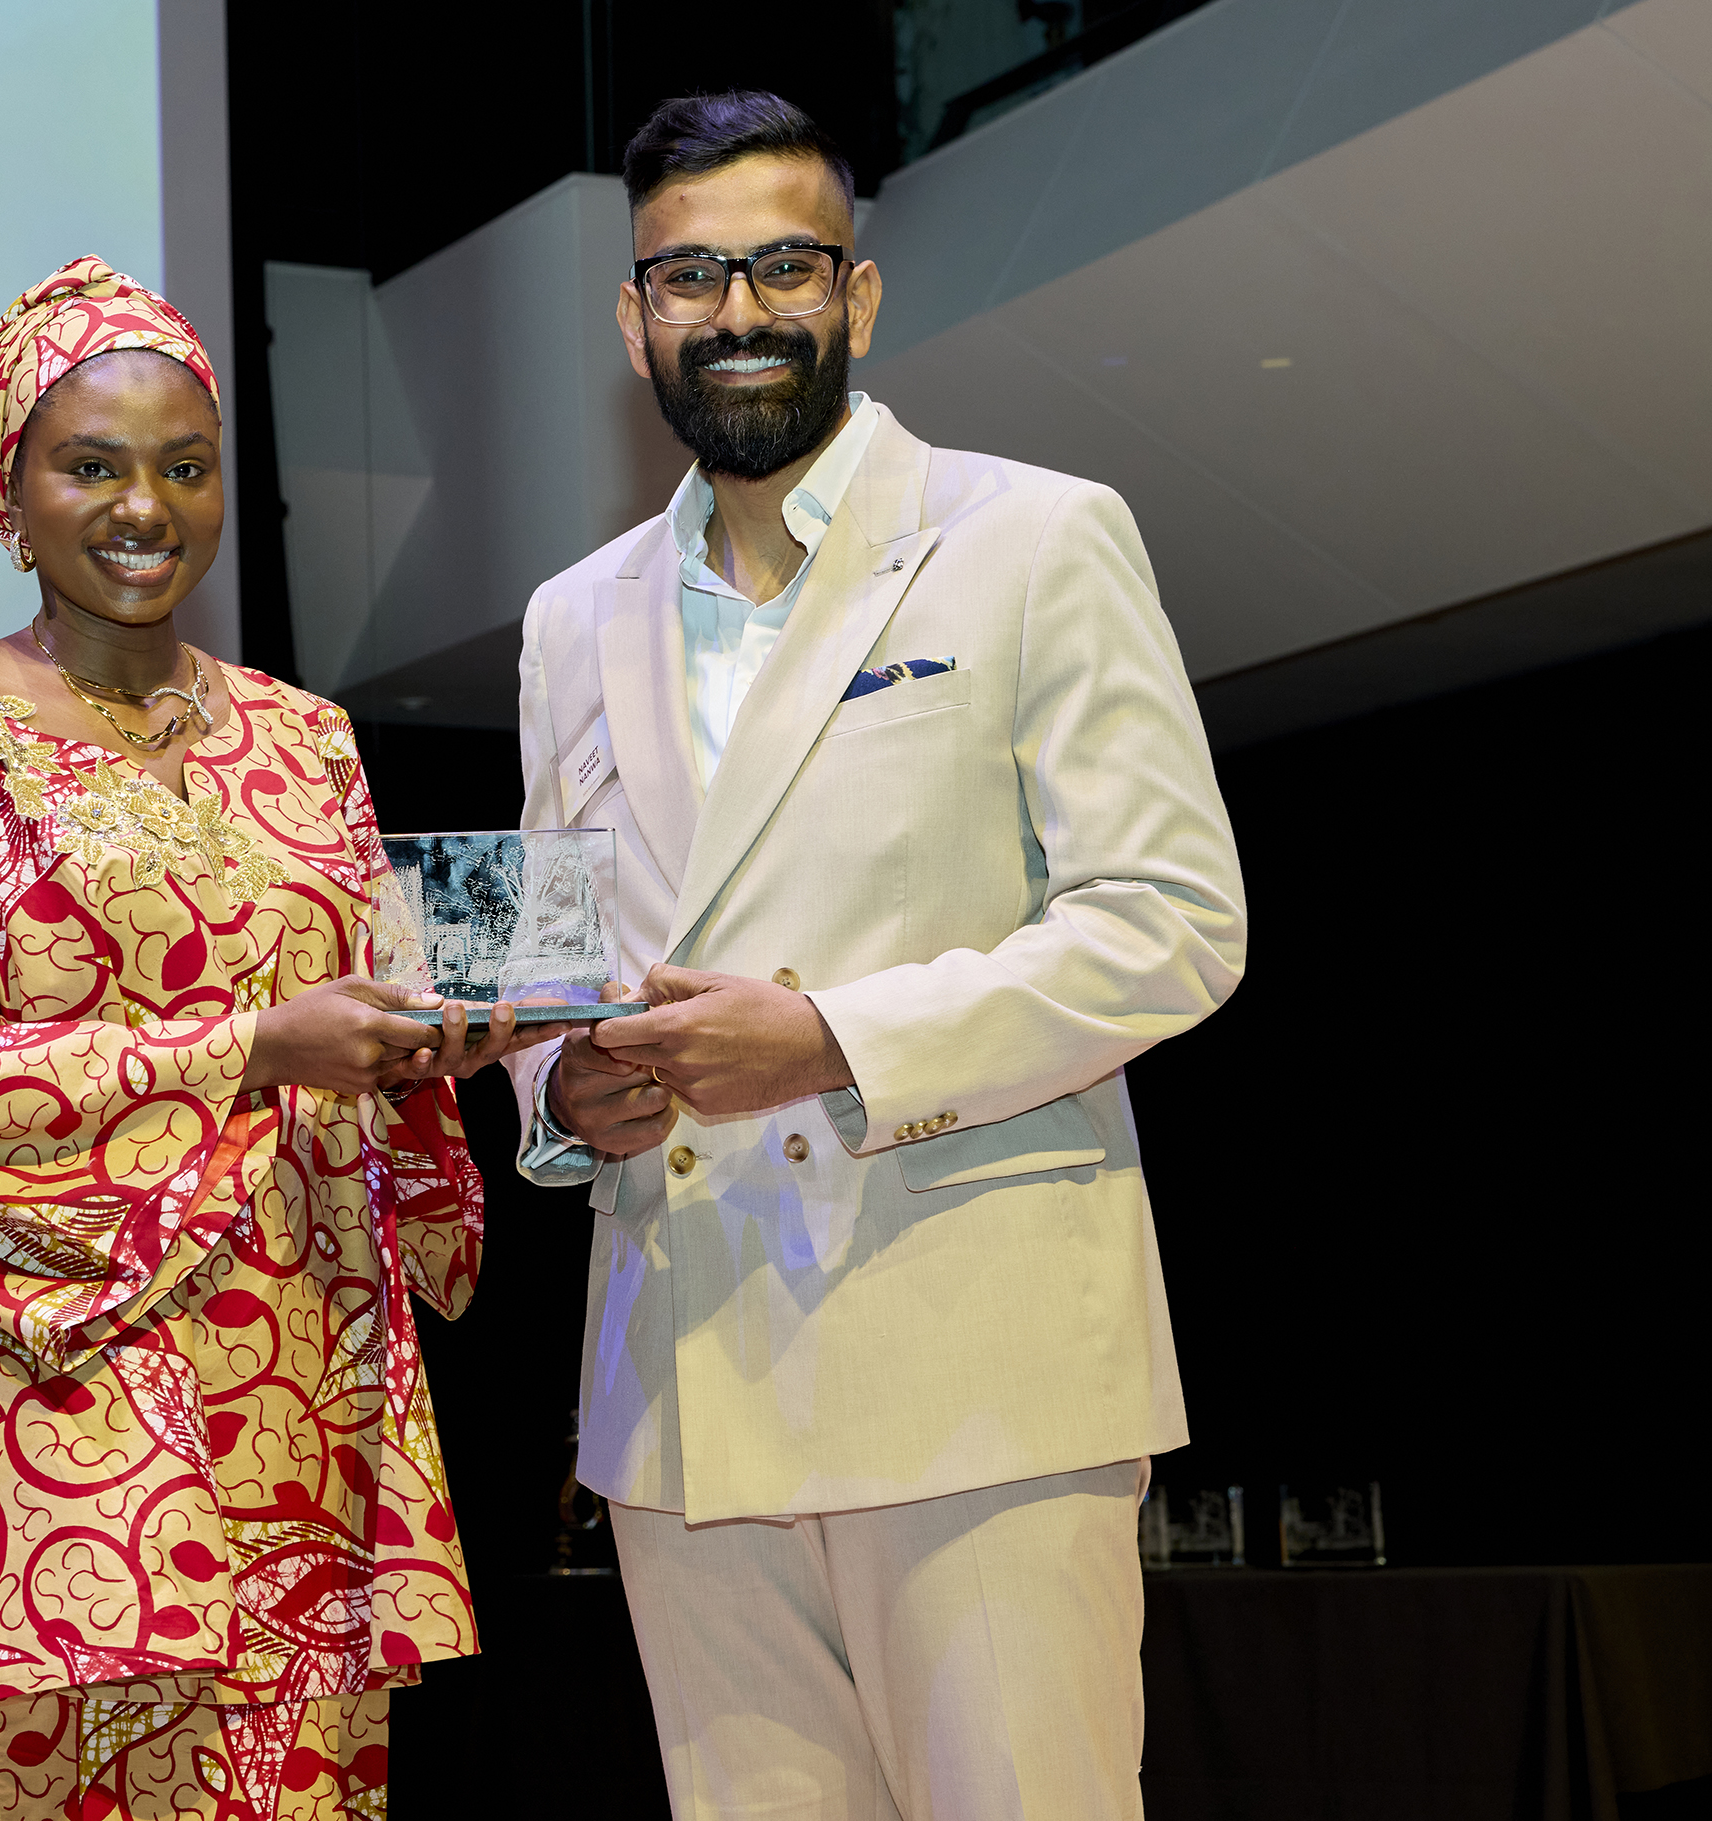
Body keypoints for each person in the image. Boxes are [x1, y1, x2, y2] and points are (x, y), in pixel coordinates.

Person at [503, 95, 1249, 1820]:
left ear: (860, 292)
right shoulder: (569, 615)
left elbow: (1173, 919)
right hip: (680, 1403)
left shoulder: (1034, 537)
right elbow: (546, 963)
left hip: (972, 1379)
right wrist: (569, 1084)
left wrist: (833, 1036)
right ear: (633, 319)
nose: (739, 310)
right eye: (688, 273)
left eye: (783, 265)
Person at [0, 257, 539, 1817]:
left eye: (185, 465)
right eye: (91, 465)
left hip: (306, 1390)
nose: (145, 507)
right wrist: (252, 1048)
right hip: (54, 1407)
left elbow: (358, 1024)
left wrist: (435, 1044)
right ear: (7, 490)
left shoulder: (308, 739)